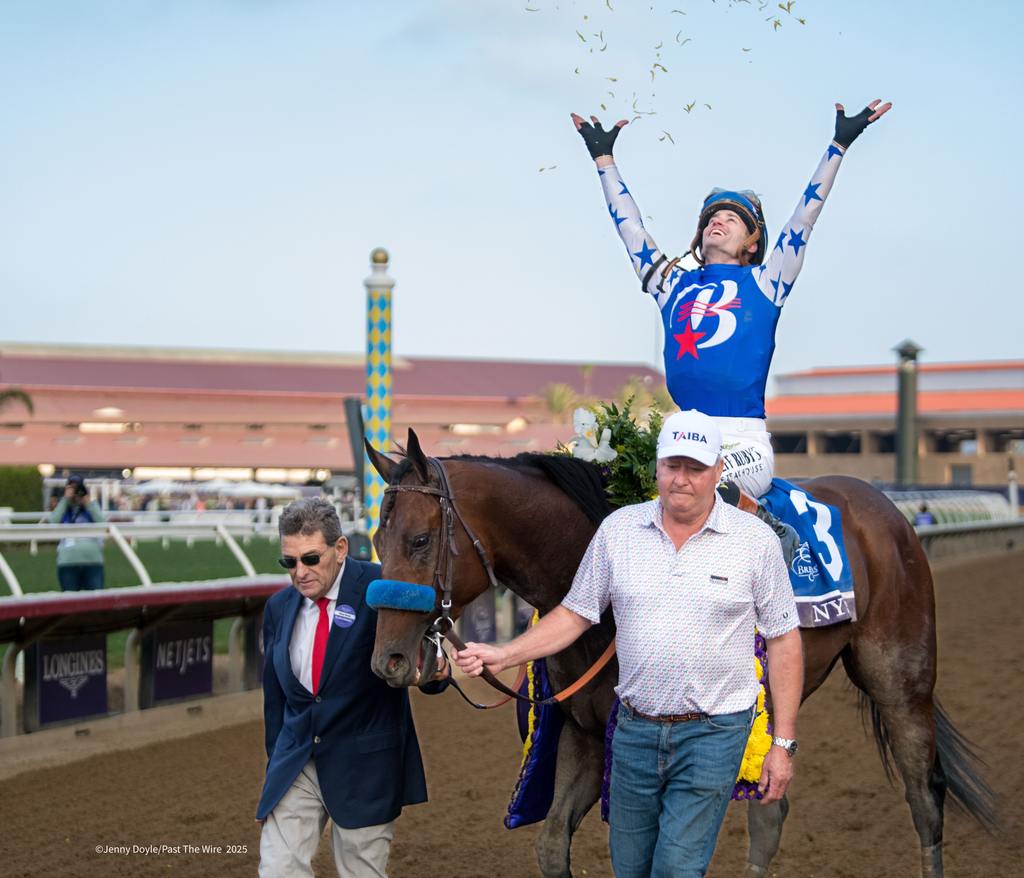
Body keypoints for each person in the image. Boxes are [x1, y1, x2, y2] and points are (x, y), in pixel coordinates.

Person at [453, 409, 804, 878]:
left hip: (713, 734)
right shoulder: (619, 531)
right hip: (635, 733)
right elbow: (575, 614)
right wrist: (505, 652)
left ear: (718, 471)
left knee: (676, 869)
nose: (681, 480)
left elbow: (783, 639)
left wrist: (782, 744)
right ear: (657, 467)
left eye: (696, 468)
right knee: (631, 869)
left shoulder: (755, 542)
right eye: (672, 466)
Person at [571, 101, 891, 504]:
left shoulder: (768, 281)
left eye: (730, 219)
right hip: (680, 437)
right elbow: (630, 230)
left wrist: (838, 145)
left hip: (744, 445)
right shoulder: (673, 285)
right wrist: (604, 160)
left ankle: (771, 533)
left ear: (752, 242)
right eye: (710, 219)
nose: (715, 223)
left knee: (700, 490)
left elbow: (803, 220)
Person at [256, 497, 447, 878]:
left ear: (340, 548)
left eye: (311, 559)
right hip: (297, 761)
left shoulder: (383, 587)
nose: (300, 572)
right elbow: (275, 699)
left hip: (365, 765)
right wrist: (275, 763)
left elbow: (430, 658)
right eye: (289, 562)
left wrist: (434, 669)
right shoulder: (278, 608)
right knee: (278, 869)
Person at [48, 474, 106, 591]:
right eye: (72, 488)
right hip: (68, 561)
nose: (75, 492)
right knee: (70, 603)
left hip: (92, 561)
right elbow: (53, 522)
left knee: (96, 601)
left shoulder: (91, 506)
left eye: (78, 488)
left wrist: (87, 502)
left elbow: (102, 522)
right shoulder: (63, 507)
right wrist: (65, 500)